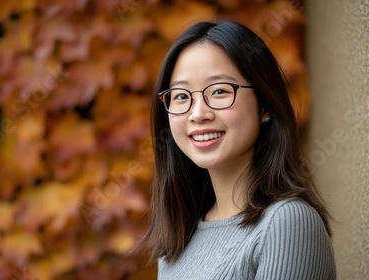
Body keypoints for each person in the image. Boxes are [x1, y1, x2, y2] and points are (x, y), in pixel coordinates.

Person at [135, 21, 336, 279]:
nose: (198, 114)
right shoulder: (177, 240)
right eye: (182, 96)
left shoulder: (287, 223)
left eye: (219, 91)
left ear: (265, 105)